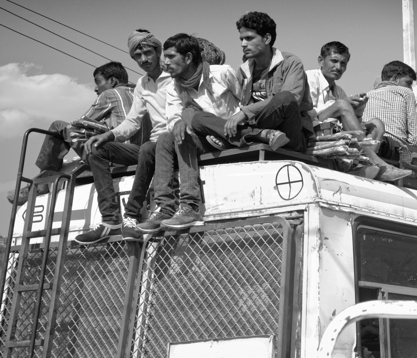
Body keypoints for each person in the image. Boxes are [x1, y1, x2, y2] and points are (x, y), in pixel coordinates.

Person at [75, 30, 175, 244]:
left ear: (158, 51)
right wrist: (109, 135)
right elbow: (132, 122)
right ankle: (110, 220)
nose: (143, 60)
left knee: (150, 147)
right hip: (151, 146)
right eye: (137, 56)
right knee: (97, 149)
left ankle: (132, 215)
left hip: (175, 142)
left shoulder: (175, 77)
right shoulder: (141, 84)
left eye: (147, 53)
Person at [137, 33, 243, 232]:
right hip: (201, 141)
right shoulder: (173, 87)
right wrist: (179, 121)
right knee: (169, 136)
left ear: (187, 58)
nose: (164, 63)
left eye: (170, 57)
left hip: (232, 135)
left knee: (190, 116)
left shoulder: (222, 74)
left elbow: (245, 102)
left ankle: (189, 205)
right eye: (164, 57)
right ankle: (171, 208)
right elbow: (172, 117)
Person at [7, 61, 135, 207]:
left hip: (113, 154)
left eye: (98, 82)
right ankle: (42, 179)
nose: (95, 88)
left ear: (112, 81)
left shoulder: (109, 94)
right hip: (136, 153)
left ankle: (42, 181)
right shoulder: (140, 93)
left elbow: (82, 122)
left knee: (59, 126)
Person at [193, 11, 312, 153]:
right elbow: (236, 104)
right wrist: (230, 121)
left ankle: (238, 138)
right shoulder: (243, 70)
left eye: (249, 38)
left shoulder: (291, 63)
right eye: (241, 39)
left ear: (267, 38)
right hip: (258, 130)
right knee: (197, 118)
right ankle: (255, 136)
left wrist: (245, 112)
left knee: (285, 97)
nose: (243, 44)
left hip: (289, 134)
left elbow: (291, 100)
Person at [306, 41, 411, 181]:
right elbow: (308, 113)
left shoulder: (339, 91)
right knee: (342, 104)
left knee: (376, 124)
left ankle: (362, 164)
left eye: (343, 63)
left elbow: (353, 126)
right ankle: (378, 164)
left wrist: (358, 111)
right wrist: (338, 105)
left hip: (336, 131)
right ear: (321, 61)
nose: (338, 67)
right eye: (334, 61)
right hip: (312, 129)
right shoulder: (310, 78)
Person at [362, 60, 417, 164]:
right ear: (395, 78)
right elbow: (414, 138)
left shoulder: (367, 95)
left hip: (368, 143)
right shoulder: (406, 92)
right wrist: (407, 151)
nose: (411, 88)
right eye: (408, 83)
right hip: (393, 149)